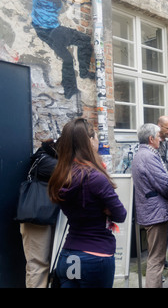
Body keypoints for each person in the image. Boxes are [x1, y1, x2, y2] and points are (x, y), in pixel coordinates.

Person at [48, 118, 127, 288]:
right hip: (95, 257)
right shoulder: (95, 177)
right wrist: (106, 210)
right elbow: (121, 215)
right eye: (96, 138)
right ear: (90, 142)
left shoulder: (61, 176)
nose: (98, 141)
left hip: (69, 255)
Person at [131, 123, 168, 288]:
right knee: (156, 259)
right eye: (158, 136)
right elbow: (164, 184)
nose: (160, 139)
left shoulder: (141, 154)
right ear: (151, 139)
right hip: (156, 214)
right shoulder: (148, 156)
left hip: (151, 212)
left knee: (155, 258)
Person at [31, 0, 94, 99]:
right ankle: (76, 81)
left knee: (70, 56)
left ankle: (74, 84)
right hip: (51, 31)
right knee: (79, 45)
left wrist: (83, 2)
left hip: (47, 31)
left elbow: (70, 0)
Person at [19, 139, 58, 288]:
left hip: (46, 215)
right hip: (36, 217)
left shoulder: (48, 159)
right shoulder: (44, 160)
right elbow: (69, 173)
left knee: (45, 264)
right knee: (38, 265)